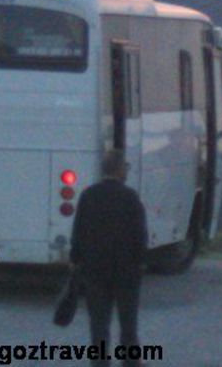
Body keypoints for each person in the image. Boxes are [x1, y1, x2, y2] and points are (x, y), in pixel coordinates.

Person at [70, 150, 148, 365]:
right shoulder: (130, 197)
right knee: (128, 323)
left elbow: (79, 231)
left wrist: (76, 259)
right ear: (120, 169)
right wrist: (141, 262)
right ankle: (130, 361)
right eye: (126, 167)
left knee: (99, 323)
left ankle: (100, 362)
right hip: (126, 270)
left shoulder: (88, 196)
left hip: (95, 269)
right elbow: (140, 234)